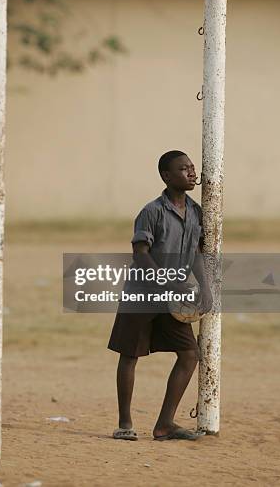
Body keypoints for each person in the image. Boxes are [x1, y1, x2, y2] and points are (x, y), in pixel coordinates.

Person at [108, 150, 213, 441]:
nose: (191, 173)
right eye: (183, 169)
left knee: (190, 354)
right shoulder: (151, 211)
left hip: (174, 298)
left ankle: (165, 424)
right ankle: (125, 424)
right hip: (142, 295)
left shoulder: (195, 212)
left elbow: (195, 254)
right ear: (167, 176)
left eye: (192, 168)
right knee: (130, 355)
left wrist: (205, 289)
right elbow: (140, 253)